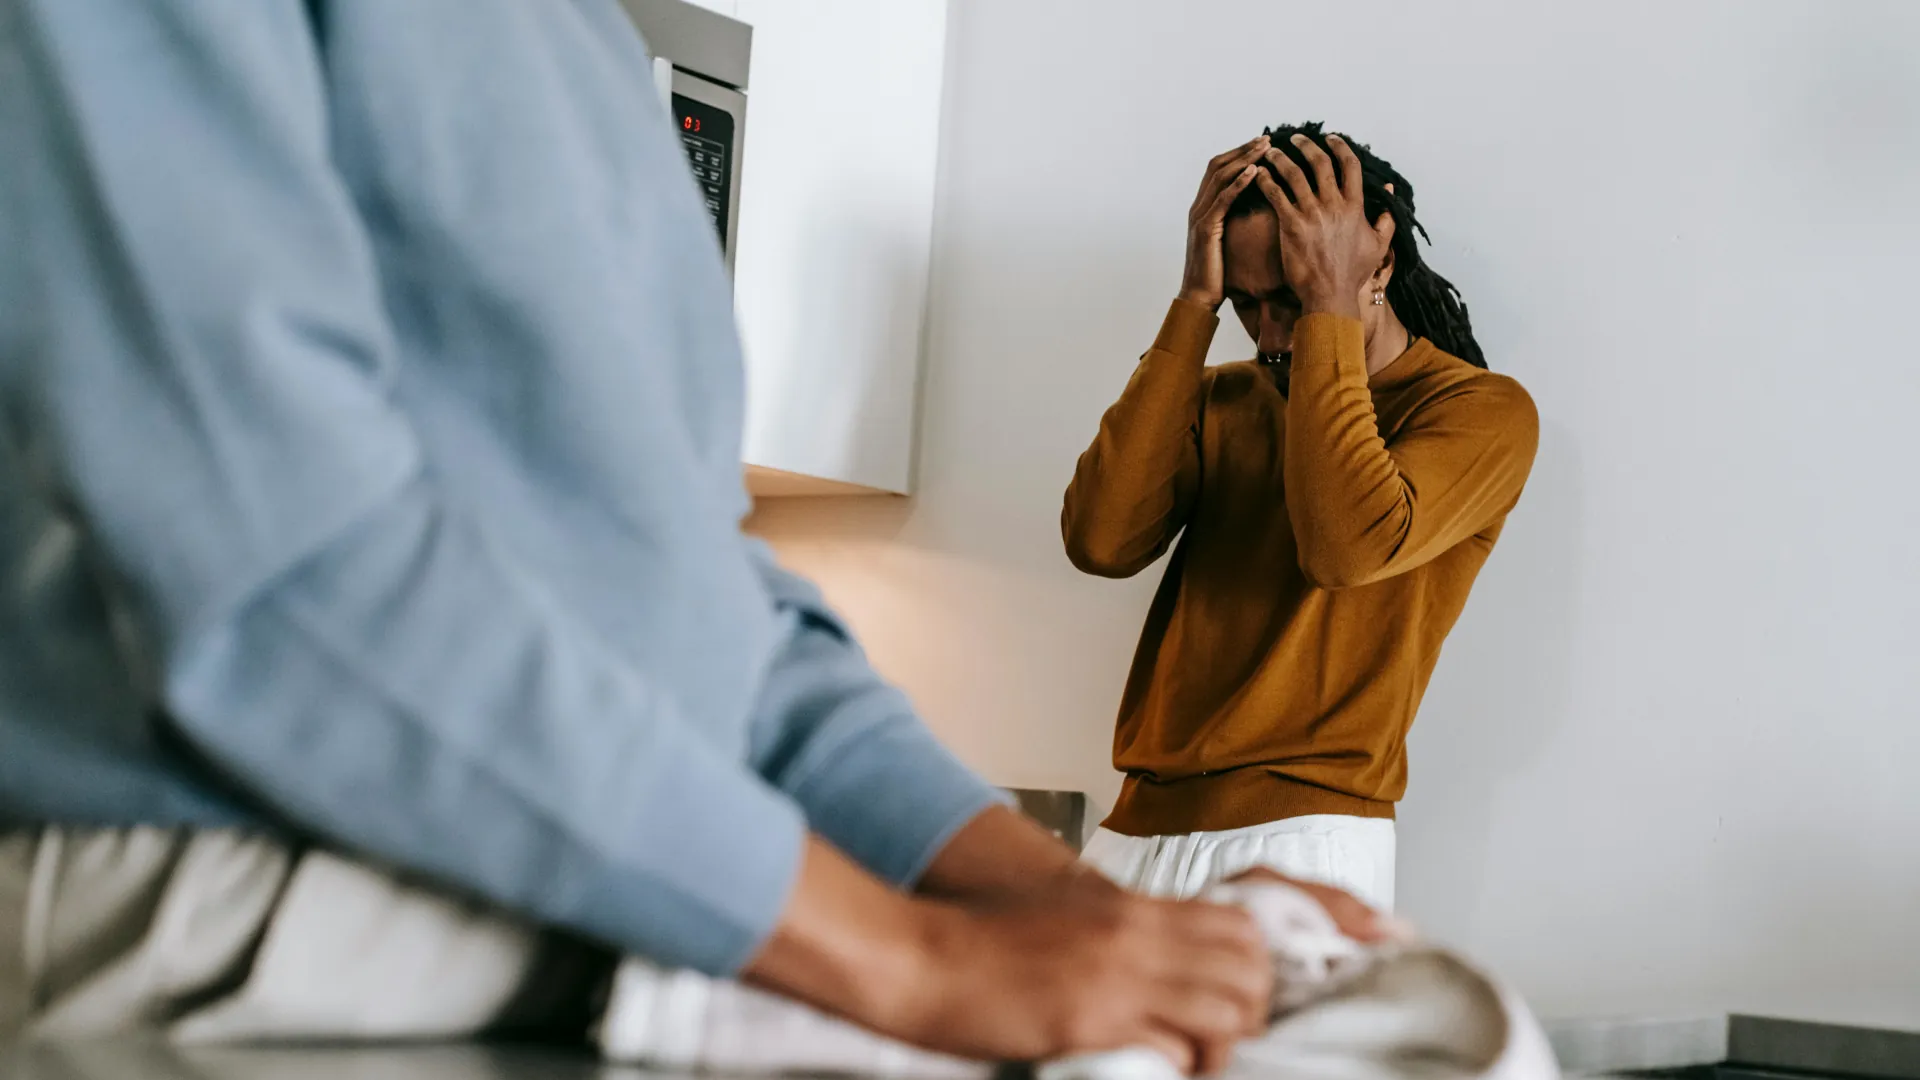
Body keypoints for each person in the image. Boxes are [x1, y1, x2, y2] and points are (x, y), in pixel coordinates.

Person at [0, 5, 1385, 1071]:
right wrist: (910, 962)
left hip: (521, 850)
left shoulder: (585, 47)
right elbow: (288, 573)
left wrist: (1051, 901)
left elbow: (723, 618)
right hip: (217, 867)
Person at [1062, 123, 1540, 912]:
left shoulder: (1478, 411)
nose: (1275, 335)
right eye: (1249, 305)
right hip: (1134, 828)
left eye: (1292, 296)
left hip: (1303, 839)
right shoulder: (1224, 395)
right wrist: (1194, 306)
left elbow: (1342, 547)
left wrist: (1330, 312)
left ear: (1376, 261)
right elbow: (1100, 541)